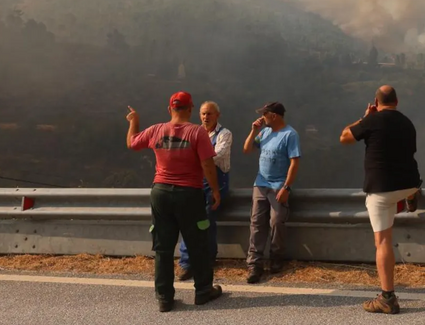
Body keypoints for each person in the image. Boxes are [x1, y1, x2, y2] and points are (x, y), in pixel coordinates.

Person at [125, 91, 223, 312]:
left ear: (169, 109)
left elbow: (132, 143)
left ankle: (165, 298)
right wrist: (215, 190)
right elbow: (207, 164)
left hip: (160, 193)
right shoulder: (197, 132)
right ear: (190, 109)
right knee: (198, 244)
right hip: (189, 194)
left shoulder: (156, 130)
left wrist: (134, 121)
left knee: (163, 248)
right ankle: (203, 291)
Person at [340, 85, 422, 315]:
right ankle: (413, 194)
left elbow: (344, 137)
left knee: (383, 242)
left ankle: (387, 297)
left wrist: (364, 117)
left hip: (381, 188)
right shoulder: (407, 122)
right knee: (407, 187)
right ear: (397, 101)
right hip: (408, 181)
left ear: (376, 103)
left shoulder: (372, 120)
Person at [242, 101, 301, 284]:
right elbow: (247, 149)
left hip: (278, 186)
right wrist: (253, 130)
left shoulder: (290, 134)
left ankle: (276, 257)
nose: (262, 117)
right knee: (257, 222)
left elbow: (294, 162)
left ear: (274, 116)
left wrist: (286, 187)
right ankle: (255, 264)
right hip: (260, 184)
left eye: (265, 114)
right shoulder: (265, 132)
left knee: (276, 221)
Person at [177, 101, 233, 281]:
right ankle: (186, 263)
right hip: (195, 181)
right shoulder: (194, 132)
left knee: (206, 218)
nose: (205, 117)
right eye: (202, 114)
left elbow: (217, 156)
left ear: (218, 115)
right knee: (188, 219)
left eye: (209, 114)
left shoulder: (225, 134)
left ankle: (207, 259)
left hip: (216, 183)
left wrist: (196, 156)